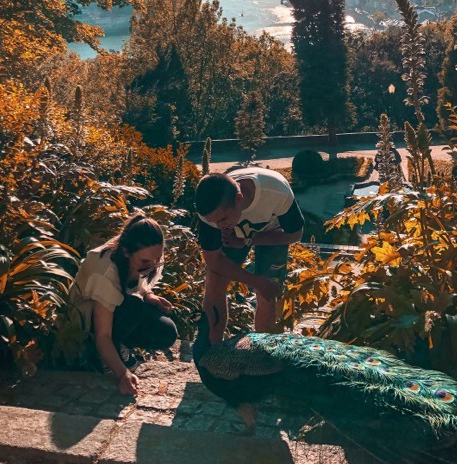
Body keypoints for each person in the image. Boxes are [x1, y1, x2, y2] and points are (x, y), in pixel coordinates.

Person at [71, 212, 178, 396]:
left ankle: (122, 346)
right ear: (126, 252)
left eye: (156, 260)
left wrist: (149, 295)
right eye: (145, 261)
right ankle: (103, 358)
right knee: (133, 308)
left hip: (120, 308)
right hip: (87, 322)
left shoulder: (142, 256)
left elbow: (138, 283)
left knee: (166, 331)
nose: (152, 266)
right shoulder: (106, 271)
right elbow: (103, 335)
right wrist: (122, 374)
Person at [196, 168, 304, 344]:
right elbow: (214, 261)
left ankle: (263, 350)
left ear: (239, 199)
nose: (218, 225)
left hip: (272, 231)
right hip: (236, 234)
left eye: (222, 219)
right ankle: (212, 347)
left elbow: (294, 234)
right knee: (215, 280)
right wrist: (257, 281)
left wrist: (249, 240)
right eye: (213, 221)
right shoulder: (212, 211)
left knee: (268, 292)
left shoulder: (276, 192)